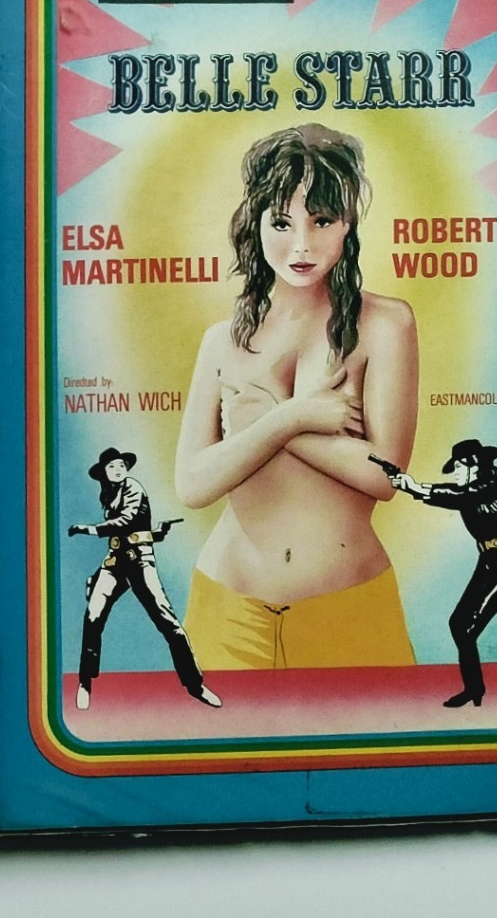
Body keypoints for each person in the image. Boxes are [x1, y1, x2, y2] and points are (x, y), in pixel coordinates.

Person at [173, 124, 419, 670]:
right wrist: (295, 418)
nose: (302, 245)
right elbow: (192, 484)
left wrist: (267, 421)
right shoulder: (222, 341)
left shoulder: (386, 325)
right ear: (255, 222)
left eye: (322, 220)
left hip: (349, 610)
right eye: (281, 222)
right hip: (227, 610)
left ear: (348, 222)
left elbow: (385, 477)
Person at [68, 447, 220, 710]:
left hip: (139, 562)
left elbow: (126, 521)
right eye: (112, 467)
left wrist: (90, 529)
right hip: (115, 561)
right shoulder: (108, 493)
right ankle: (85, 682)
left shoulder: (133, 488)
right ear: (104, 473)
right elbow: (134, 529)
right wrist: (157, 533)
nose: (118, 470)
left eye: (121, 465)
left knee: (168, 622)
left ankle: (195, 685)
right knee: (92, 617)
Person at [384, 439, 497, 707]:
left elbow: (461, 496)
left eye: (459, 467)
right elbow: (457, 495)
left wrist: (414, 487)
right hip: (488, 563)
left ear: (474, 466)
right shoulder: (470, 491)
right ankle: (474, 689)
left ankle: (475, 691)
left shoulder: (492, 486)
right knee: (458, 624)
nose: (455, 473)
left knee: (467, 630)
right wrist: (410, 487)